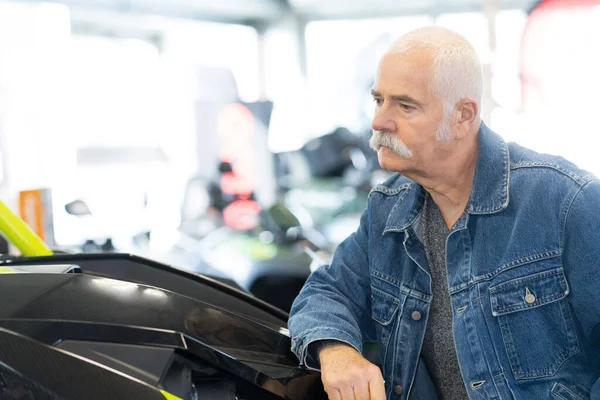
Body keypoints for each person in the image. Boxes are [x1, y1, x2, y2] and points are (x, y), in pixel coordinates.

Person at [288, 26, 600, 400]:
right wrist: (336, 350)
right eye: (379, 100)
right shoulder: (387, 210)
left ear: (463, 116)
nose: (379, 122)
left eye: (405, 105)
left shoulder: (565, 201)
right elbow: (327, 291)